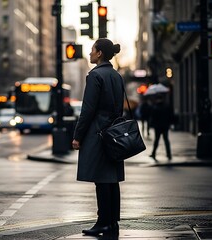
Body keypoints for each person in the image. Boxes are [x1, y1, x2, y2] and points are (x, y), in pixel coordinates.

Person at [72, 38, 124, 239]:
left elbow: (88, 110)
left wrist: (78, 136)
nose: (90, 53)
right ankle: (112, 222)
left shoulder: (95, 76)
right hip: (114, 133)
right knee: (111, 179)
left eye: (92, 50)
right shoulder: (116, 75)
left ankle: (103, 222)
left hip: (98, 133)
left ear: (100, 53)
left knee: (101, 180)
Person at [149, 93, 173, 160]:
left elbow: (153, 117)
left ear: (157, 99)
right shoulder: (167, 106)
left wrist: (152, 125)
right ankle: (169, 154)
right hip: (165, 126)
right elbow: (170, 116)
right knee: (166, 140)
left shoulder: (155, 107)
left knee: (156, 140)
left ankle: (153, 153)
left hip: (158, 126)